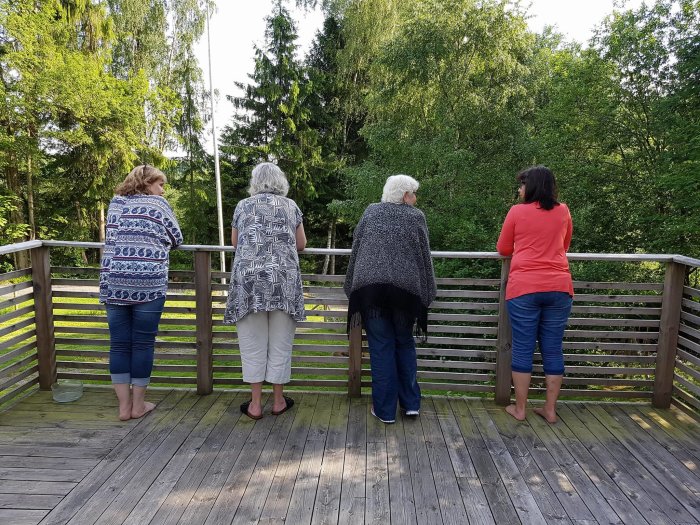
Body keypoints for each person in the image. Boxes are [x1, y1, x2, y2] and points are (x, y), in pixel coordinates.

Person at [344, 174, 437, 424]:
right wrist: (428, 290)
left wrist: (351, 282)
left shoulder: (371, 212)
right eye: (413, 194)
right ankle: (410, 405)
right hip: (405, 294)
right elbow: (424, 256)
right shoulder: (416, 217)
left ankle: (385, 411)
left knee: (381, 346)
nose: (416, 199)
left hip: (370, 291)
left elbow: (357, 246)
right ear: (404, 195)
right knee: (404, 343)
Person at [100, 164, 183, 421]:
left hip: (114, 281)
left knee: (119, 344)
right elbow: (176, 237)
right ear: (147, 183)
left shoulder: (115, 203)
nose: (163, 190)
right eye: (160, 184)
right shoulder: (158, 205)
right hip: (147, 282)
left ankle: (123, 408)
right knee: (143, 343)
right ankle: (138, 405)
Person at [224, 162, 306, 420]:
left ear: (254, 182)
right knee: (281, 344)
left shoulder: (242, 206)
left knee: (252, 344)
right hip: (283, 281)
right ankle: (279, 401)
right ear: (280, 181)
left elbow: (235, 243)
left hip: (249, 283)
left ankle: (256, 405)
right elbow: (301, 243)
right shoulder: (291, 206)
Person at [497, 165, 573, 423]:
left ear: (531, 187)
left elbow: (503, 248)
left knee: (523, 348)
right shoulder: (563, 211)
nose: (519, 189)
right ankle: (550, 410)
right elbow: (564, 245)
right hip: (559, 287)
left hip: (524, 288)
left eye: (521, 185)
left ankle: (520, 409)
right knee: (552, 349)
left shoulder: (517, 212)